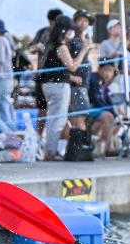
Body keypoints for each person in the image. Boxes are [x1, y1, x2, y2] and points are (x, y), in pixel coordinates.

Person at [38, 15, 90, 160]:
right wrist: (84, 50)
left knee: (52, 118)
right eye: (69, 30)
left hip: (47, 85)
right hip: (59, 87)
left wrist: (70, 77)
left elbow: (55, 68)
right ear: (64, 30)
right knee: (58, 120)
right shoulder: (61, 46)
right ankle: (51, 152)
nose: (71, 33)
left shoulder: (50, 44)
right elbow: (72, 66)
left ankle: (50, 150)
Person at [88, 61, 121, 157]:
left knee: (118, 119)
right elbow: (96, 99)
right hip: (87, 107)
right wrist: (112, 111)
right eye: (106, 70)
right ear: (99, 69)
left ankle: (102, 144)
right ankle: (108, 147)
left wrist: (116, 113)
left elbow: (105, 99)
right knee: (109, 116)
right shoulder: (93, 79)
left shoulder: (103, 82)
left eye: (111, 71)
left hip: (95, 107)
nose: (108, 73)